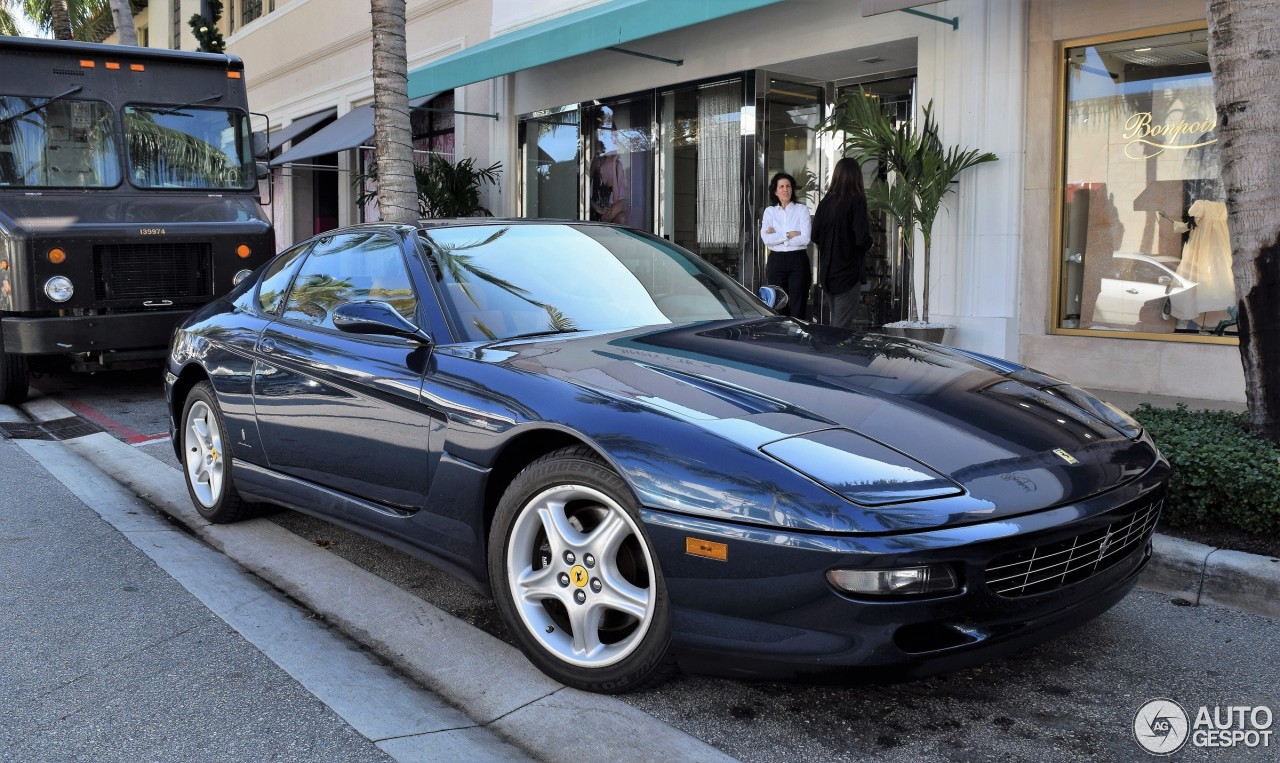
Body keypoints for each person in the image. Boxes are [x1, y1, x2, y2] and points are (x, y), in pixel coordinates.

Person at [813, 157, 872, 329]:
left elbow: (814, 235)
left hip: (827, 274)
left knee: (837, 324)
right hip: (847, 274)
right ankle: (831, 356)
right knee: (840, 328)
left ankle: (830, 353)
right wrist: (871, 243)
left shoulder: (825, 202)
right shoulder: (856, 201)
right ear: (857, 177)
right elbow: (861, 239)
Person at [760, 171, 812, 319]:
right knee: (777, 305)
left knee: (798, 304)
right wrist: (789, 234)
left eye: (788, 186)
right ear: (775, 191)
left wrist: (777, 236)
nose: (785, 189)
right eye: (781, 186)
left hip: (798, 260)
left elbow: (805, 239)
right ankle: (780, 339)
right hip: (776, 261)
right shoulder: (770, 212)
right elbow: (766, 239)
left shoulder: (802, 210)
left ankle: (798, 338)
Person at [589, 137, 628, 225]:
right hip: (597, 212)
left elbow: (616, 199)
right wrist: (599, 209)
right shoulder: (597, 162)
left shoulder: (618, 165)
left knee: (622, 218)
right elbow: (583, 191)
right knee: (625, 203)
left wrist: (614, 164)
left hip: (608, 212)